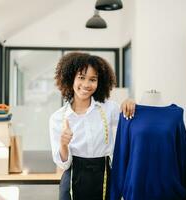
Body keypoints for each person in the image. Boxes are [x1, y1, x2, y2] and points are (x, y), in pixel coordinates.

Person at [49, 52, 135, 200]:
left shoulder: (109, 109)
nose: (86, 85)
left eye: (93, 79)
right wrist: (63, 144)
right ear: (71, 79)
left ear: (99, 82)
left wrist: (130, 103)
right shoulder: (58, 118)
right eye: (81, 77)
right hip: (72, 181)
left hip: (105, 178)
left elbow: (133, 124)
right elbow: (63, 164)